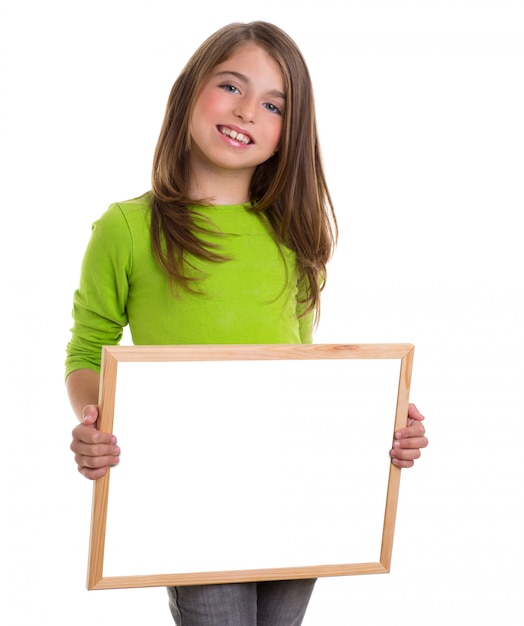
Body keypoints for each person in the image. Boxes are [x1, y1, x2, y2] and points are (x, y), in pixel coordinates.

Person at [66, 21, 428, 626]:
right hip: (192, 497)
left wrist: (383, 423)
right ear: (189, 92)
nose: (247, 112)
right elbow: (87, 349)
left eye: (273, 104)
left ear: (291, 131)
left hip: (294, 492)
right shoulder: (127, 228)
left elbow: (302, 370)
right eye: (231, 86)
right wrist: (94, 422)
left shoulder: (295, 237)